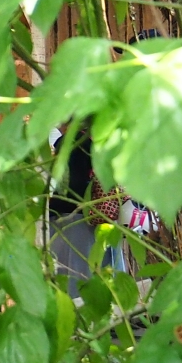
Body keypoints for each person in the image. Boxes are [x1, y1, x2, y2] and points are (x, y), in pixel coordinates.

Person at [48, 125, 125, 294]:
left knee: (75, 285)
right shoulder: (104, 143)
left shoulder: (72, 143)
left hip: (73, 222)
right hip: (102, 217)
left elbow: (70, 185)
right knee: (108, 282)